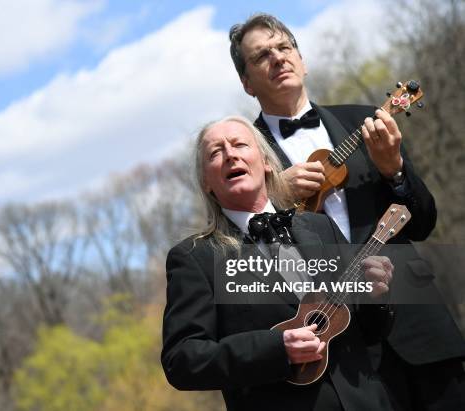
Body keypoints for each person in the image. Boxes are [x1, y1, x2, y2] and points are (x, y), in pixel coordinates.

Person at [227, 13, 465, 410]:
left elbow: (423, 222)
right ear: (247, 82)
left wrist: (395, 171)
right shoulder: (243, 156)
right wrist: (274, 193)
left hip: (418, 323)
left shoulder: (367, 120)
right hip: (335, 350)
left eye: (285, 48)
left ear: (302, 61)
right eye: (261, 55)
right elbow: (239, 255)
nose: (278, 58)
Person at [161, 115, 396, 411]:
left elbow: (371, 332)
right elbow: (182, 359)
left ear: (266, 162)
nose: (230, 154)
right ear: (206, 181)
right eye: (216, 152)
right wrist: (276, 349)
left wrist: (376, 296)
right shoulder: (196, 258)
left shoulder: (321, 228)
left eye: (239, 144)